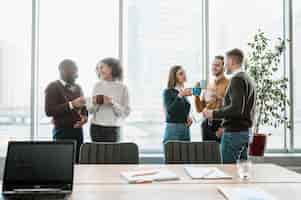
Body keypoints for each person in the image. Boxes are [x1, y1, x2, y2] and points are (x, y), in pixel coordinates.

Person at [203, 49, 256, 164]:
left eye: (226, 61)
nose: (225, 65)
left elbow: (236, 108)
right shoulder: (248, 79)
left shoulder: (236, 79)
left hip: (234, 134)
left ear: (231, 61)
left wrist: (213, 113)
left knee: (228, 174)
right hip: (244, 132)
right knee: (241, 173)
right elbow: (240, 106)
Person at [45, 59, 88, 163]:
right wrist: (71, 104)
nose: (77, 75)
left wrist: (85, 117)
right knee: (62, 163)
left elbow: (83, 106)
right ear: (63, 71)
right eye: (74, 72)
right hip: (62, 132)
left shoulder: (78, 87)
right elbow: (49, 111)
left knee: (78, 162)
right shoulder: (53, 87)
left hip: (78, 131)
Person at [87, 58, 130, 142]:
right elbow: (91, 111)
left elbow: (125, 113)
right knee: (97, 154)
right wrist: (97, 102)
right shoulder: (97, 86)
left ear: (112, 68)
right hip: (96, 127)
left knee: (112, 154)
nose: (99, 70)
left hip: (114, 129)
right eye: (98, 68)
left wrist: (112, 103)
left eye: (102, 67)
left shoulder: (123, 88)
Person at [195, 56, 229, 143]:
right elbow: (199, 109)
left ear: (224, 68)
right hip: (206, 124)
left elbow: (232, 107)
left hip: (220, 125)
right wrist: (196, 95)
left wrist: (224, 127)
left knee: (220, 155)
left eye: (217, 65)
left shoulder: (229, 84)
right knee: (206, 154)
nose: (214, 67)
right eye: (213, 65)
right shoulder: (209, 85)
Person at [163, 65, 193, 144]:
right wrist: (180, 95)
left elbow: (181, 110)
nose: (184, 75)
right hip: (173, 129)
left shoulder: (182, 91)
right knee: (173, 154)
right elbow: (170, 111)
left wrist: (187, 117)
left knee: (186, 155)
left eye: (184, 73)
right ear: (174, 77)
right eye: (181, 73)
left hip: (185, 128)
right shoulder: (168, 92)